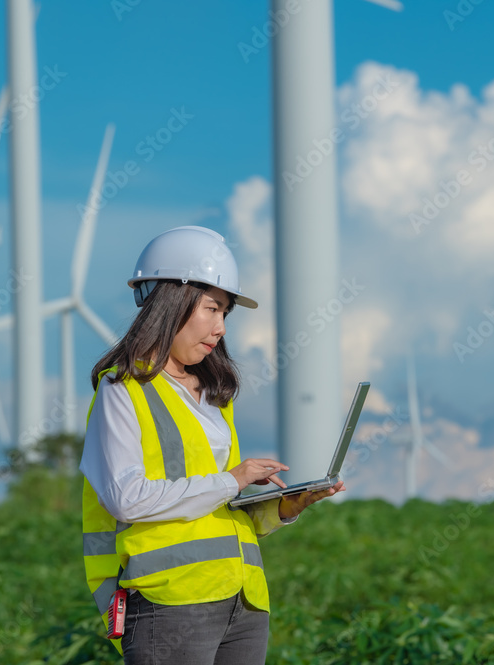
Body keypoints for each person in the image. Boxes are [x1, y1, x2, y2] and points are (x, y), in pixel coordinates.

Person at [80, 225, 343, 665]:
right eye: (212, 309)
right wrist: (233, 478)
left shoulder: (213, 397)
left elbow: (217, 508)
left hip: (243, 600)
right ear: (173, 302)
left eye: (226, 314)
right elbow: (127, 500)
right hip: (170, 601)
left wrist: (283, 508)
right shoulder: (123, 390)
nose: (221, 328)